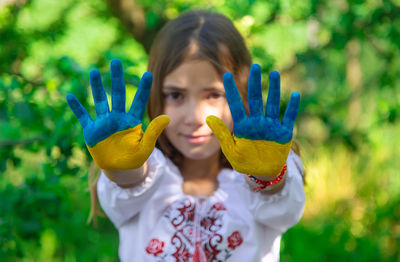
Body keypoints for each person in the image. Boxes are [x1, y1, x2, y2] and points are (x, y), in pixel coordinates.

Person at [67, 10, 305, 262]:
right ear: (156, 97)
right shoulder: (146, 175)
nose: (193, 117)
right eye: (176, 95)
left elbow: (285, 209)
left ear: (243, 95)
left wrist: (266, 177)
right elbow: (130, 185)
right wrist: (124, 169)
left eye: (213, 95)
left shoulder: (266, 174)